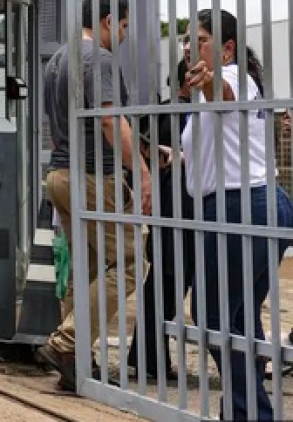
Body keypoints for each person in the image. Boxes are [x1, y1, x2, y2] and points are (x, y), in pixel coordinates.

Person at [181, 8, 293, 421]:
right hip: (261, 203)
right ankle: (244, 410)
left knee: (212, 317)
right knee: (240, 316)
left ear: (226, 48)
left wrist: (209, 80)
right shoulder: (230, 88)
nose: (191, 47)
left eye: (201, 39)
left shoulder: (232, 76)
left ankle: (250, 413)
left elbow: (222, 92)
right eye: (186, 41)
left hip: (239, 206)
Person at [37, 0, 150, 393]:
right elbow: (107, 119)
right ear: (106, 21)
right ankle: (67, 342)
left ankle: (76, 360)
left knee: (85, 268)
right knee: (132, 262)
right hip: (91, 176)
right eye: (122, 26)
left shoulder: (58, 59)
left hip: (61, 174)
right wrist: (141, 169)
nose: (122, 35)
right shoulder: (98, 58)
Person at [126, 59, 196, 381]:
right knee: (170, 285)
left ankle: (146, 355)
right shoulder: (186, 114)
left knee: (162, 284)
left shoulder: (159, 113)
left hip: (163, 208)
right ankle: (149, 356)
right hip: (184, 210)